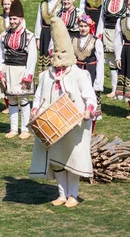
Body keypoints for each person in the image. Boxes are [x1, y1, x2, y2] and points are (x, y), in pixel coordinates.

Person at [29, 16, 97, 209]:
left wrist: (88, 111)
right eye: (55, 53)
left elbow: (90, 97)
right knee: (57, 158)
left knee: (73, 158)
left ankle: (73, 195)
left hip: (75, 123)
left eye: (61, 53)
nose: (57, 57)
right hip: (53, 123)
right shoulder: (45, 76)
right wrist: (35, 112)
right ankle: (61, 193)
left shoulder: (79, 74)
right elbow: (38, 98)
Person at [0, 0, 37, 139]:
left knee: (24, 100)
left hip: (22, 70)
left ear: (21, 19)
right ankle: (13, 129)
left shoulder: (29, 36)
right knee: (11, 99)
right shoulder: (4, 35)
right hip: (8, 70)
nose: (12, 21)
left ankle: (25, 129)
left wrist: (28, 76)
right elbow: (0, 54)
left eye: (15, 19)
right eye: (11, 18)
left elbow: (32, 57)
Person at [96, 0, 128, 98]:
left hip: (121, 33)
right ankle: (114, 89)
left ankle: (124, 88)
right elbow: (102, 18)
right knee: (111, 62)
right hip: (108, 32)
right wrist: (99, 33)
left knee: (122, 60)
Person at [0, 0, 23, 114]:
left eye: (8, 4)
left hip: (13, 51)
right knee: (3, 77)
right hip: (1, 50)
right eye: (4, 4)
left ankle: (16, 101)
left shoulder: (18, 19)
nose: (6, 6)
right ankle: (7, 104)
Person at [73, 14, 104, 133]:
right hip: (77, 71)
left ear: (90, 26)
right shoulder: (74, 39)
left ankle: (91, 130)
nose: (83, 28)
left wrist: (98, 82)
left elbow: (100, 62)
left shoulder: (96, 41)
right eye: (81, 26)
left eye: (85, 26)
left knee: (91, 99)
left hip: (91, 72)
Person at [35, 0, 62, 72]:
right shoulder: (43, 3)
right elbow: (39, 21)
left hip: (56, 33)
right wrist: (38, 38)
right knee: (45, 57)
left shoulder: (61, 3)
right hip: (45, 34)